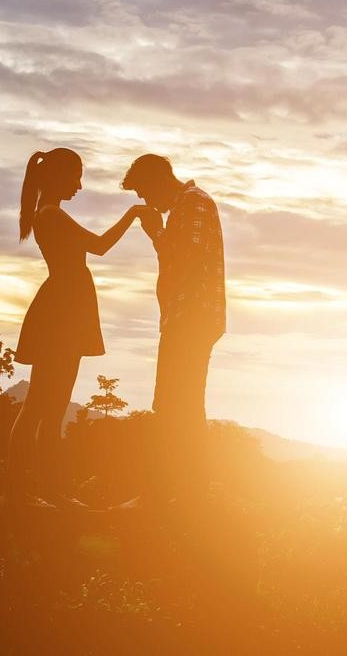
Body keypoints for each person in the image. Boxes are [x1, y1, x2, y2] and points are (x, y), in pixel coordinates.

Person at [6, 148, 148, 509]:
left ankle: (37, 490)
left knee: (45, 406)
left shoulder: (50, 213)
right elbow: (100, 246)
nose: (80, 185)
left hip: (63, 312)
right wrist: (132, 213)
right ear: (57, 177)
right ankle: (31, 491)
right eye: (75, 177)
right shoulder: (52, 215)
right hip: (61, 316)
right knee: (44, 407)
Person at [120, 153, 226, 506]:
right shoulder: (190, 204)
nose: (150, 204)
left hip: (191, 317)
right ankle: (186, 492)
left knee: (173, 403)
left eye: (147, 194)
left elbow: (188, 260)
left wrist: (156, 233)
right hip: (188, 317)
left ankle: (169, 494)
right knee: (181, 403)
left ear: (159, 182)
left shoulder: (193, 203)